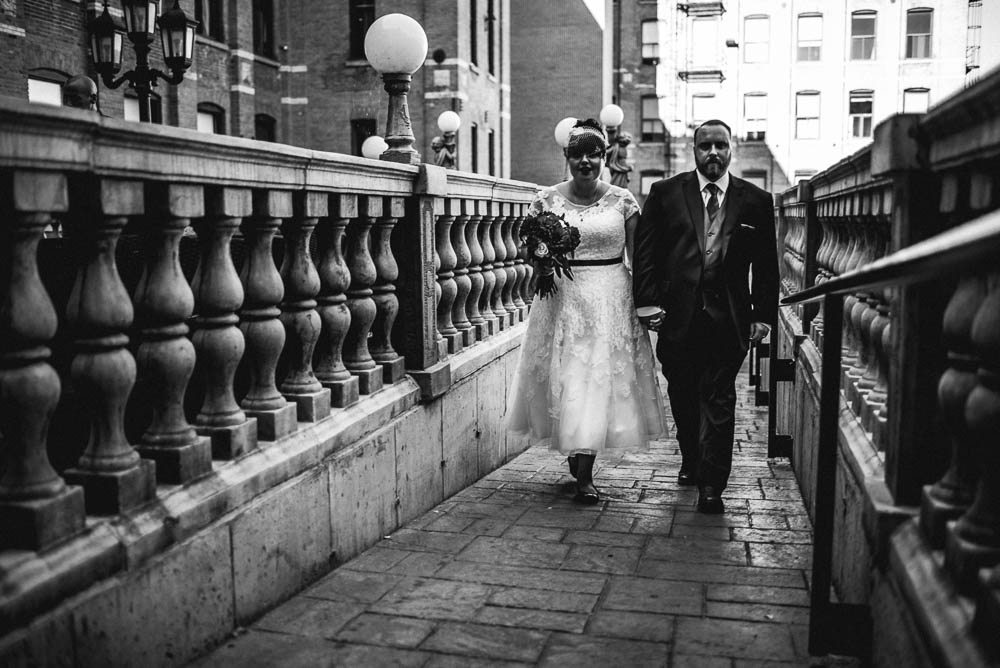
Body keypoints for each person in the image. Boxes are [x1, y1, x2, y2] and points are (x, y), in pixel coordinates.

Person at [506, 119, 667, 504]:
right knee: (572, 378)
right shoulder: (545, 200)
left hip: (610, 298)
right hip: (564, 299)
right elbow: (528, 250)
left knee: (597, 380)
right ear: (567, 157)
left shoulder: (623, 201)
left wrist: (648, 303)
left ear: (604, 157)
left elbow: (639, 258)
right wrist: (541, 259)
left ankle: (584, 471)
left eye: (593, 155)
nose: (585, 162)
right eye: (577, 154)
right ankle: (578, 451)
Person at [632, 119, 779, 514]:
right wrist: (647, 302)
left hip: (729, 319)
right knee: (682, 394)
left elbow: (767, 265)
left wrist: (763, 315)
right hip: (677, 317)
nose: (713, 152)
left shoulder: (756, 200)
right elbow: (646, 253)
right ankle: (692, 458)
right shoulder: (665, 193)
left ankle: (712, 485)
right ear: (693, 150)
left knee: (719, 398)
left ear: (732, 149)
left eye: (720, 145)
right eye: (705, 145)